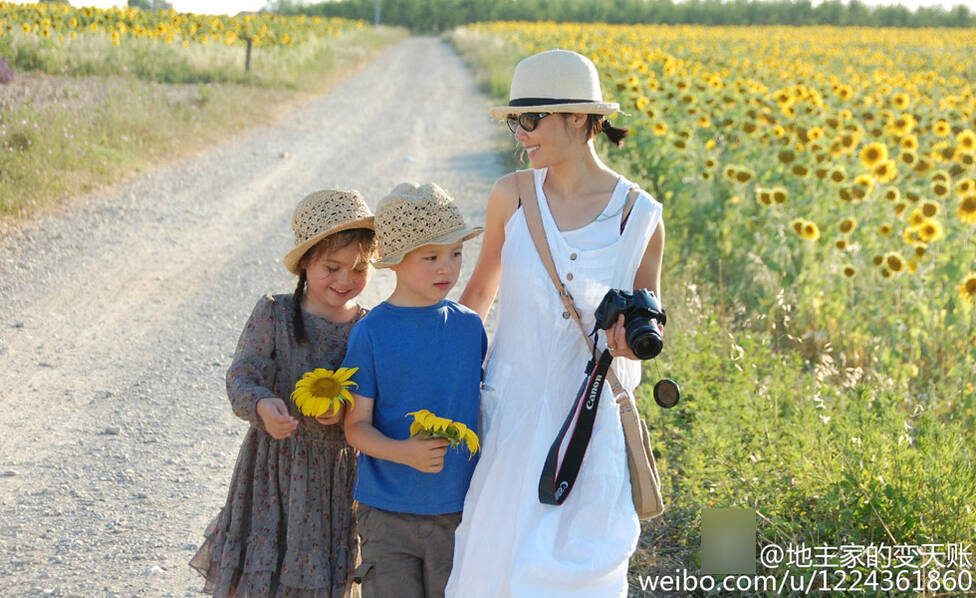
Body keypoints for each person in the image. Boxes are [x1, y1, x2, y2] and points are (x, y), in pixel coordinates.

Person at [445, 49, 666, 598]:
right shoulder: (511, 196)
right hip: (511, 420)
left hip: (591, 429)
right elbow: (478, 297)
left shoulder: (640, 216)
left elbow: (650, 327)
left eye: (531, 119)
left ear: (578, 118)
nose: (521, 133)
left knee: (579, 576)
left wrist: (630, 343)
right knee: (490, 572)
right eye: (516, 121)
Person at [190, 189, 377, 598]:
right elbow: (241, 375)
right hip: (272, 469)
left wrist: (346, 410)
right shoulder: (274, 313)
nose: (346, 280)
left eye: (359, 268)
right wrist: (261, 403)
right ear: (306, 261)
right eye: (332, 267)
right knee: (267, 566)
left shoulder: (369, 327)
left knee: (323, 574)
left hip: (336, 477)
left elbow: (378, 393)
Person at [340, 182, 487, 598]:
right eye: (432, 256)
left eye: (457, 254)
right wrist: (403, 452)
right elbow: (357, 427)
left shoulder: (468, 327)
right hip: (386, 513)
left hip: (459, 509)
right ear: (395, 263)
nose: (448, 268)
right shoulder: (370, 333)